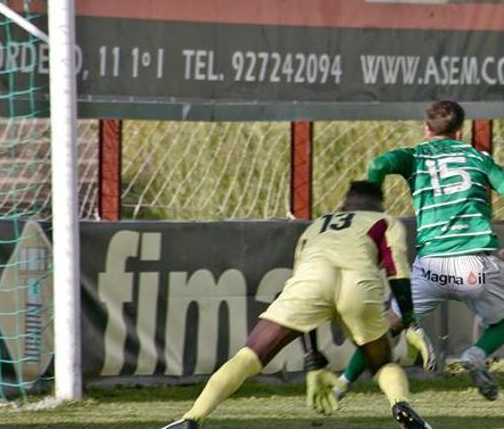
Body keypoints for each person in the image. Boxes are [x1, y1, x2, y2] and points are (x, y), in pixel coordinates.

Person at [161, 181, 435, 429]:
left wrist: (313, 361)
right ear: (380, 204)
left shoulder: (316, 226)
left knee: (248, 357)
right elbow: (396, 270)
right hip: (358, 284)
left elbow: (298, 286)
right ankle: (400, 404)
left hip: (312, 281)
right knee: (383, 363)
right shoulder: (386, 221)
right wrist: (410, 320)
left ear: (344, 204)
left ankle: (192, 418)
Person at [335, 100, 504, 401]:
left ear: (427, 128)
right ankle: (476, 355)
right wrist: (497, 169)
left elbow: (377, 165)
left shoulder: (415, 156)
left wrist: (372, 207)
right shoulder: (475, 156)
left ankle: (342, 384)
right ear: (460, 130)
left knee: (387, 326)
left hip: (431, 267)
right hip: (474, 264)